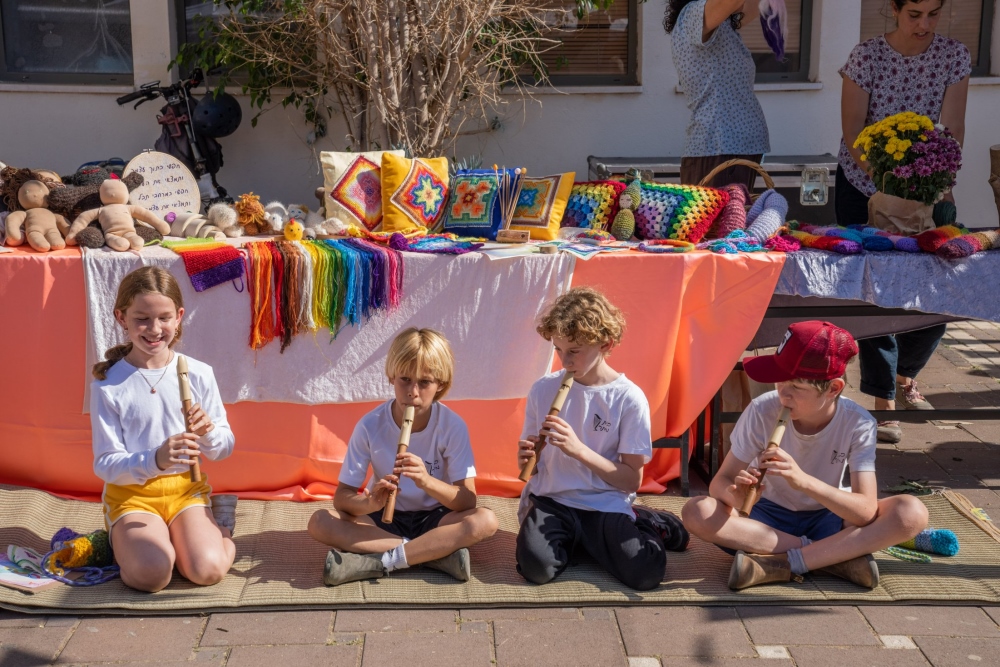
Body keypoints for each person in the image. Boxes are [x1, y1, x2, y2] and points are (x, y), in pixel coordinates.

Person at [681, 321, 928, 590]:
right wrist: (735, 496)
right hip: (766, 523)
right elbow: (720, 482)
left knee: (910, 512)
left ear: (833, 388)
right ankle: (832, 557)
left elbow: (865, 513)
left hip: (829, 518)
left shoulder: (858, 423)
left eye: (797, 387)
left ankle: (783, 564)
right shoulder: (762, 410)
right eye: (780, 380)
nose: (783, 394)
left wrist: (803, 481)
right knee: (697, 511)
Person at [837, 0, 971, 444]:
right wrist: (890, 181)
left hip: (928, 190)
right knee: (876, 292)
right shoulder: (866, 57)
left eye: (933, 13)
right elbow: (855, 128)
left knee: (943, 285)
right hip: (864, 186)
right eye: (914, 13)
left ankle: (903, 373)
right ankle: (883, 401)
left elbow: (952, 128)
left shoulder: (953, 56)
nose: (924, 24)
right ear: (893, 9)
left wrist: (934, 186)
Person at [515, 287, 689, 591]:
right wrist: (527, 458)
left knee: (645, 574)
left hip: (606, 503)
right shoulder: (543, 390)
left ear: (606, 344)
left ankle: (647, 522)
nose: (564, 361)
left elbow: (631, 481)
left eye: (574, 351)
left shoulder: (628, 398)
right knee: (535, 568)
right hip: (554, 499)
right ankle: (586, 543)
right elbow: (537, 467)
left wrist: (579, 450)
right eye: (559, 350)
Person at [309, 327, 498, 585]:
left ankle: (378, 561)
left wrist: (426, 481)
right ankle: (434, 554)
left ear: (441, 384)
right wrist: (370, 503)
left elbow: (467, 502)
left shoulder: (452, 426)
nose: (413, 392)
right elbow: (341, 499)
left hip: (436, 518)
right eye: (405, 380)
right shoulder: (370, 424)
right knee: (318, 522)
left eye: (425, 382)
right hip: (383, 519)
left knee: (485, 520)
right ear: (391, 377)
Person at [91, 266, 236, 593]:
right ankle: (138, 542)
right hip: (131, 499)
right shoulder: (108, 385)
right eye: (141, 318)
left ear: (179, 316)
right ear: (121, 317)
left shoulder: (198, 373)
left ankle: (221, 532)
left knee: (208, 570)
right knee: (152, 575)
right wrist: (154, 459)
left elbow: (224, 447)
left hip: (187, 493)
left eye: (164, 318)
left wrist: (209, 433)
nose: (154, 329)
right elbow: (104, 464)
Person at [666, 0, 769, 188]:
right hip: (719, 145)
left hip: (732, 147)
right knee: (717, 218)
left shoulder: (722, 25)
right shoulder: (694, 13)